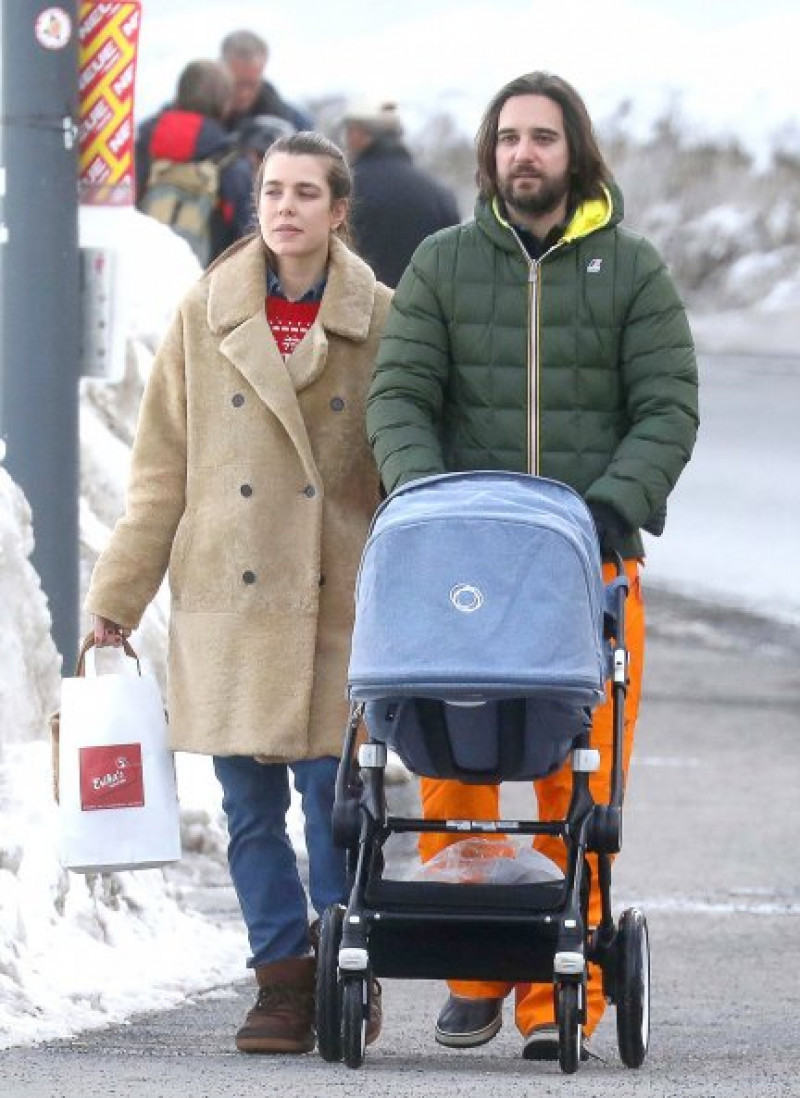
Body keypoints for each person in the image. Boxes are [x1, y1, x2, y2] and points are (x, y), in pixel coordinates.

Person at [366, 72, 699, 1059]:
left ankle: (561, 992)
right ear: (487, 154)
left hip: (589, 569)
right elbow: (399, 396)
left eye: (541, 138)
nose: (522, 154)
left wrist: (606, 510)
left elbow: (666, 407)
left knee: (579, 780)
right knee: (449, 769)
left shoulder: (630, 270)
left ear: (575, 152)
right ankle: (471, 974)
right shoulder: (441, 265)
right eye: (507, 138)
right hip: (459, 570)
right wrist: (429, 506)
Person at [87, 132, 392, 1055]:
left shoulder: (380, 319)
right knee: (247, 809)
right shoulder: (204, 314)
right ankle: (280, 984)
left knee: (330, 800)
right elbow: (160, 475)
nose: (286, 208)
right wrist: (116, 602)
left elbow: (400, 469)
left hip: (334, 601)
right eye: (272, 191)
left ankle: (347, 965)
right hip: (225, 593)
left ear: (339, 211)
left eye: (306, 193)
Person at [135, 60, 253, 262]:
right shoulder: (230, 163)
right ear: (224, 104)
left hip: (140, 271)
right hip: (201, 284)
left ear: (179, 94)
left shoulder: (143, 145)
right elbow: (249, 239)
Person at [343, 99, 461, 287]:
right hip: (423, 311)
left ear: (358, 134)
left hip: (360, 309)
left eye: (349, 131)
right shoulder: (439, 194)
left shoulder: (345, 190)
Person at [220, 29, 313, 139]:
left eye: (251, 85)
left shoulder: (291, 122)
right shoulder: (199, 112)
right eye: (238, 84)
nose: (244, 94)